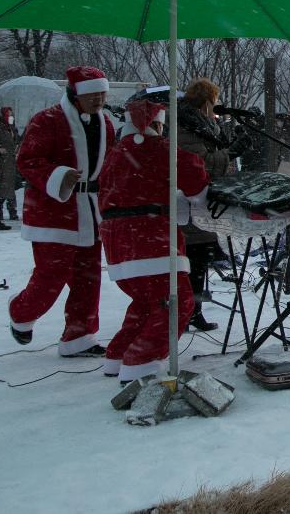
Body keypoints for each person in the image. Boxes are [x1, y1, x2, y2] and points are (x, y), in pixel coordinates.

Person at [99, 98, 210, 381]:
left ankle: (118, 355)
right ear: (156, 125)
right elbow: (194, 177)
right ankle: (141, 362)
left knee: (146, 301)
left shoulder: (115, 153)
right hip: (149, 238)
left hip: (117, 240)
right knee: (177, 302)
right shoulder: (159, 150)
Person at [8, 66, 115, 356]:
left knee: (88, 278)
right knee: (51, 275)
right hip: (54, 214)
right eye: (93, 95)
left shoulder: (105, 123)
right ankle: (21, 312)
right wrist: (57, 176)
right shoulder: (47, 121)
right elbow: (27, 161)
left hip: (90, 213)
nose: (99, 100)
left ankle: (79, 336)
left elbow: (111, 164)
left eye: (102, 94)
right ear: (76, 94)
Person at [175, 78, 233, 333]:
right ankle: (187, 312)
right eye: (214, 101)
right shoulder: (185, 127)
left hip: (200, 202)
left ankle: (192, 310)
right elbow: (200, 162)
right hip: (188, 202)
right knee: (192, 261)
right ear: (207, 101)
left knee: (198, 261)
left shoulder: (201, 125)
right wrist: (229, 154)